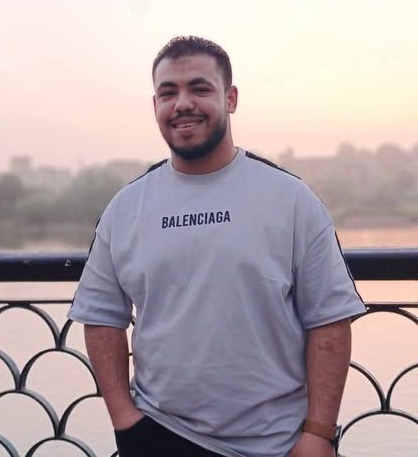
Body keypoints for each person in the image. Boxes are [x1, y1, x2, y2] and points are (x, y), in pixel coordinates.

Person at [67, 36, 366, 457]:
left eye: (199, 88)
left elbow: (329, 321)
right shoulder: (125, 208)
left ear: (230, 98)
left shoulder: (291, 199)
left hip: (275, 444)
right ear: (155, 105)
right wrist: (125, 420)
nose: (182, 104)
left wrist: (318, 433)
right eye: (168, 93)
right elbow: (100, 317)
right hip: (159, 434)